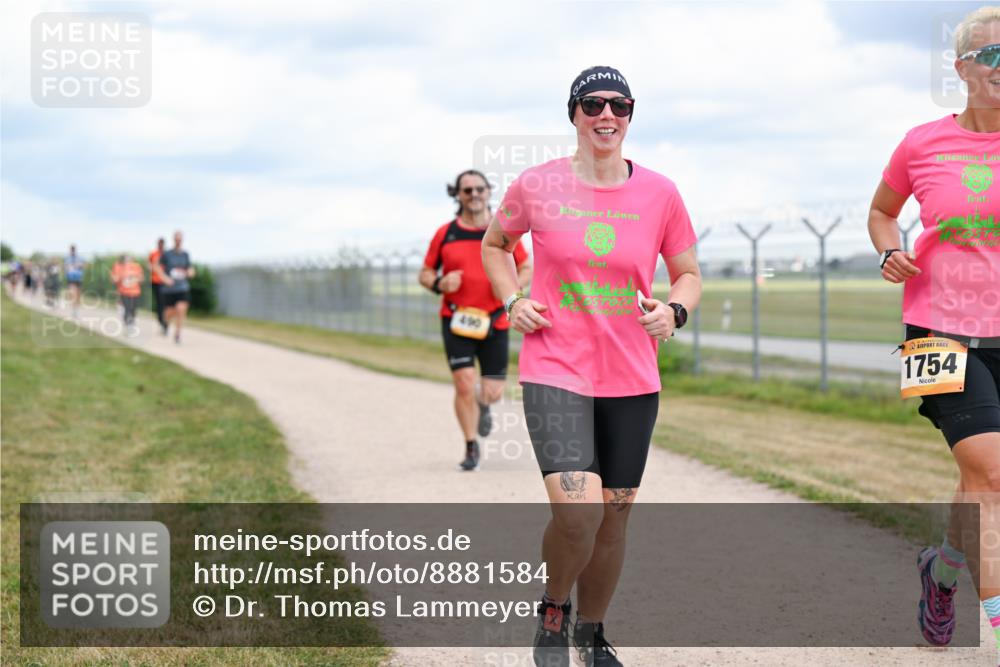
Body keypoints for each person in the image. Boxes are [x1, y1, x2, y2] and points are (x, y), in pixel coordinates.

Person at [483, 66, 701, 667]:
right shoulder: (536, 184)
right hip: (556, 368)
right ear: (574, 114)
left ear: (630, 115)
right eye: (593, 104)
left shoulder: (661, 193)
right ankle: (554, 610)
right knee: (578, 511)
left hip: (632, 376)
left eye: (619, 105)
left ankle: (592, 632)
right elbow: (495, 245)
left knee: (614, 516)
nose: (607, 115)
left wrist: (675, 311)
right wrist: (512, 300)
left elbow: (687, 273)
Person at [867, 6, 1000, 658]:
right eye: (994, 55)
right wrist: (888, 249)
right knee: (992, 476)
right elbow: (881, 212)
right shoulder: (922, 144)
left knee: (979, 480)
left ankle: (941, 572)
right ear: (963, 68)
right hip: (935, 330)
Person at [420, 170, 532, 471]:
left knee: (493, 392)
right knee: (464, 383)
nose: (474, 195)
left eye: (479, 189)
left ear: (488, 191)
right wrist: (440, 283)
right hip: (457, 319)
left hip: (495, 320)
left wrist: (511, 290)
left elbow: (525, 267)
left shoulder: (502, 229)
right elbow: (425, 273)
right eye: (467, 190)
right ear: (457, 194)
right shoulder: (446, 233)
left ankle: (484, 405)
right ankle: (470, 445)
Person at [153, 231, 195, 344]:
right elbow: (156, 266)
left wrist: (190, 272)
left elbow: (189, 267)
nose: (178, 241)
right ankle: (165, 324)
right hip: (169, 289)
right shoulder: (167, 254)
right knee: (169, 312)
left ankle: (177, 334)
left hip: (182, 287)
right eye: (176, 239)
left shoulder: (185, 254)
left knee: (181, 309)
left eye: (180, 239)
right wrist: (164, 278)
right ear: (173, 240)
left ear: (182, 240)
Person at [110, 253, 144, 335]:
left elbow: (141, 279)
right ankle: (129, 325)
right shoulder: (119, 266)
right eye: (126, 259)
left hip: (135, 292)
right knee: (127, 308)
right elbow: (114, 279)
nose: (129, 261)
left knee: (133, 309)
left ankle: (131, 322)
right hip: (124, 292)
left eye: (130, 259)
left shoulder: (137, 266)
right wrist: (118, 278)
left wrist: (136, 278)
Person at [149, 237, 167, 334]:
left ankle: (164, 322)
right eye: (159, 243)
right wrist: (153, 268)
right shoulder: (153, 254)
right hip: (156, 281)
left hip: (165, 281)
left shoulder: (166, 254)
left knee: (165, 303)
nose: (161, 245)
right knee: (160, 302)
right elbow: (149, 265)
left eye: (162, 244)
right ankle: (161, 322)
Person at [64, 245, 84, 318]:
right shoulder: (68, 259)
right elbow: (66, 269)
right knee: (73, 294)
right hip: (71, 278)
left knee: (78, 296)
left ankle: (76, 311)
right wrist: (67, 273)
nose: (72, 251)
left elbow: (83, 266)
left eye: (73, 250)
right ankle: (74, 311)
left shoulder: (79, 258)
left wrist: (79, 266)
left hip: (78, 278)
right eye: (71, 250)